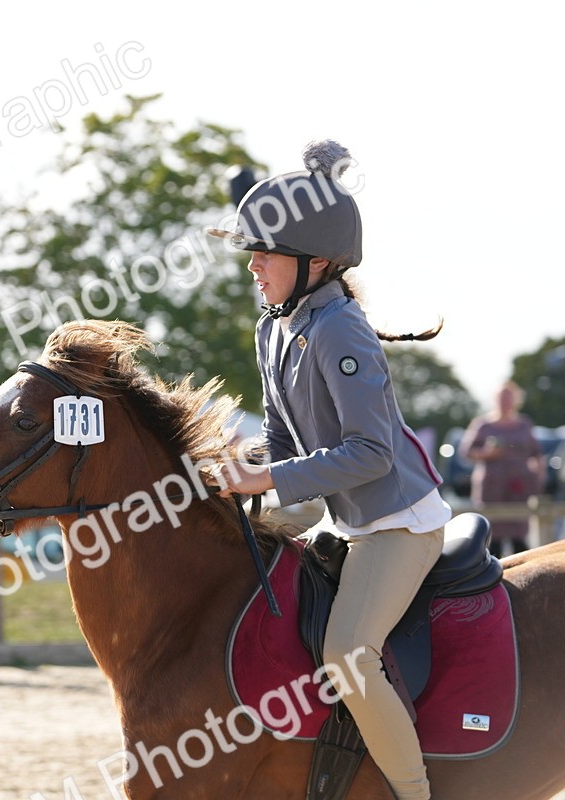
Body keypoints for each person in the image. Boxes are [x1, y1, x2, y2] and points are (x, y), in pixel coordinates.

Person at [206, 141, 450, 800]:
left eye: (265, 252)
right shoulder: (273, 329)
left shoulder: (341, 329)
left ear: (315, 262)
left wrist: (268, 480)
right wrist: (238, 464)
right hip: (344, 520)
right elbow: (282, 437)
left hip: (395, 524)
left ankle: (413, 790)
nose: (253, 264)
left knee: (348, 653)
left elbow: (370, 452)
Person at [459, 382, 545, 557]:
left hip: (518, 488)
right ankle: (491, 581)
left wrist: (538, 476)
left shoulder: (524, 425)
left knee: (519, 538)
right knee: (493, 539)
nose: (504, 402)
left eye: (508, 398)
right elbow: (466, 452)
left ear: (516, 401)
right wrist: (487, 453)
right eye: (501, 398)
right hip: (492, 488)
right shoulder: (483, 424)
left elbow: (536, 454)